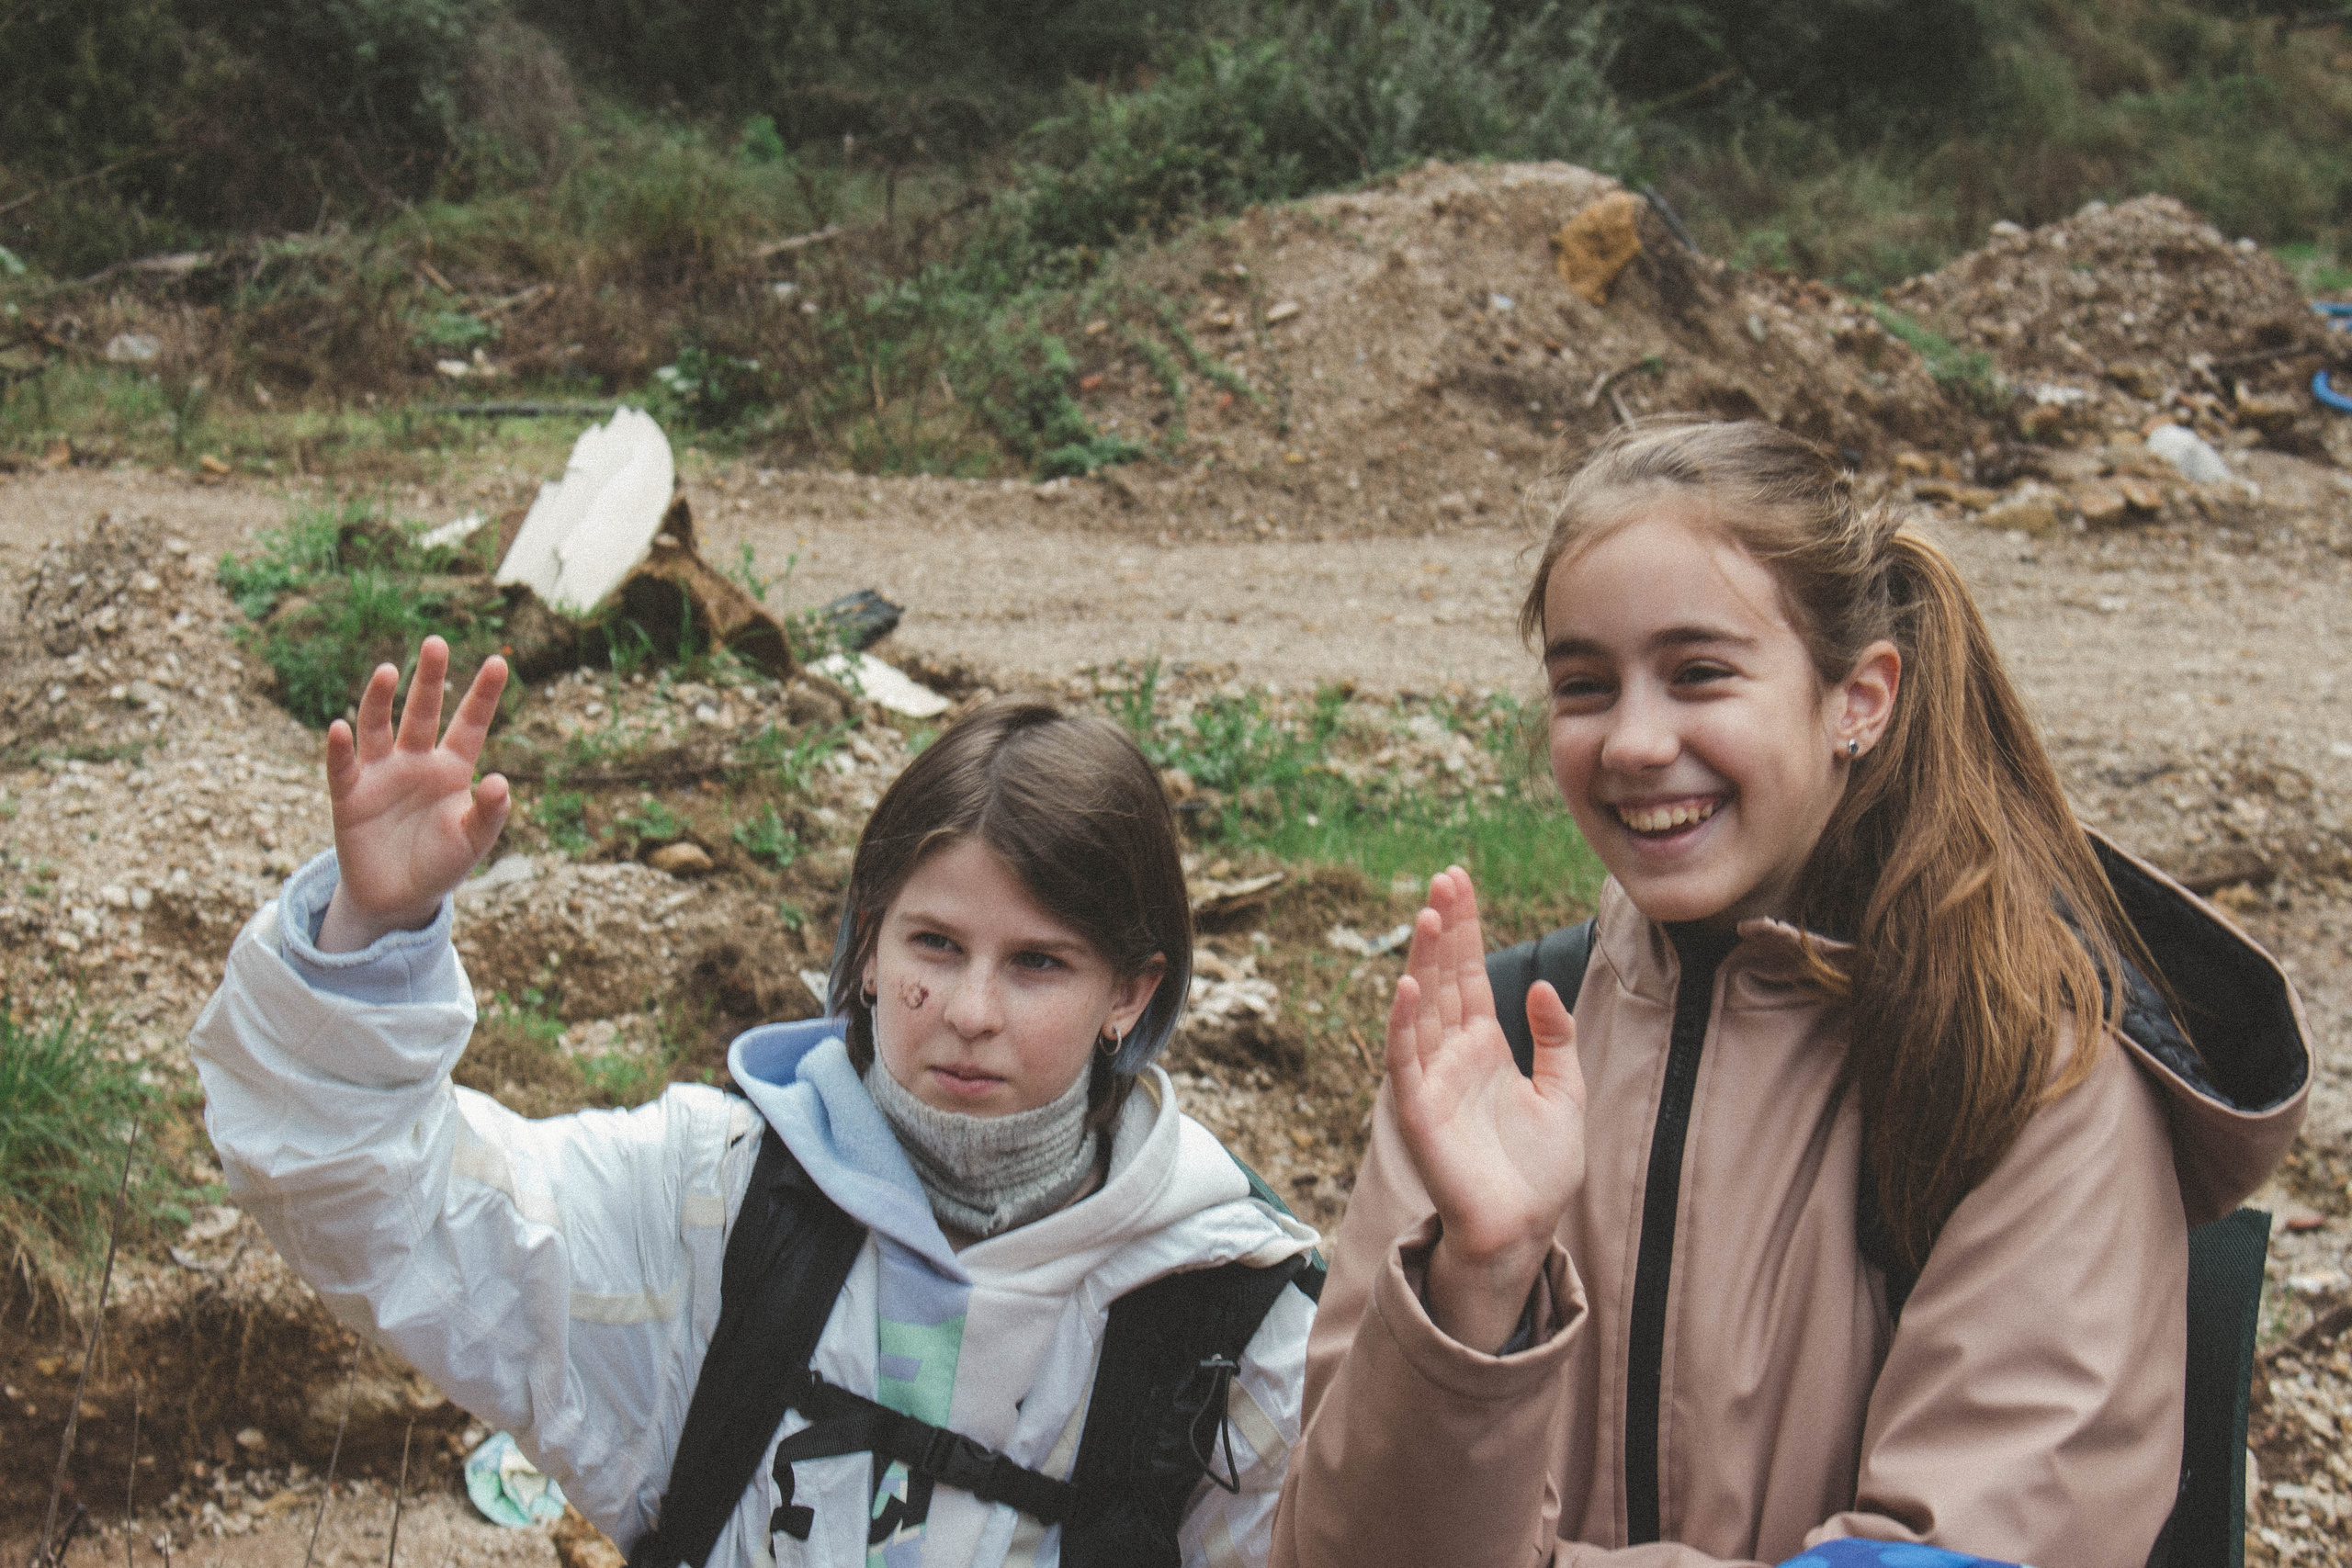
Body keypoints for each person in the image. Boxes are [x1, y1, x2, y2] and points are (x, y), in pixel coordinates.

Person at [1269, 421, 2310, 1568]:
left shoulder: (2026, 1072)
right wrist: (1478, 1282)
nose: (1633, 739)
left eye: (1699, 672)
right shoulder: (1503, 1047)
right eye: (1583, 685)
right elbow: (1334, 1545)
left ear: (1857, 699)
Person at [192, 639, 1320, 1568]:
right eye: (934, 942)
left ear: (1131, 991)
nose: (970, 1009)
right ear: (866, 948)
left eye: (1038, 964)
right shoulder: (711, 1202)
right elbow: (375, 1200)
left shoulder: (1230, 1311)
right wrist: (370, 933)